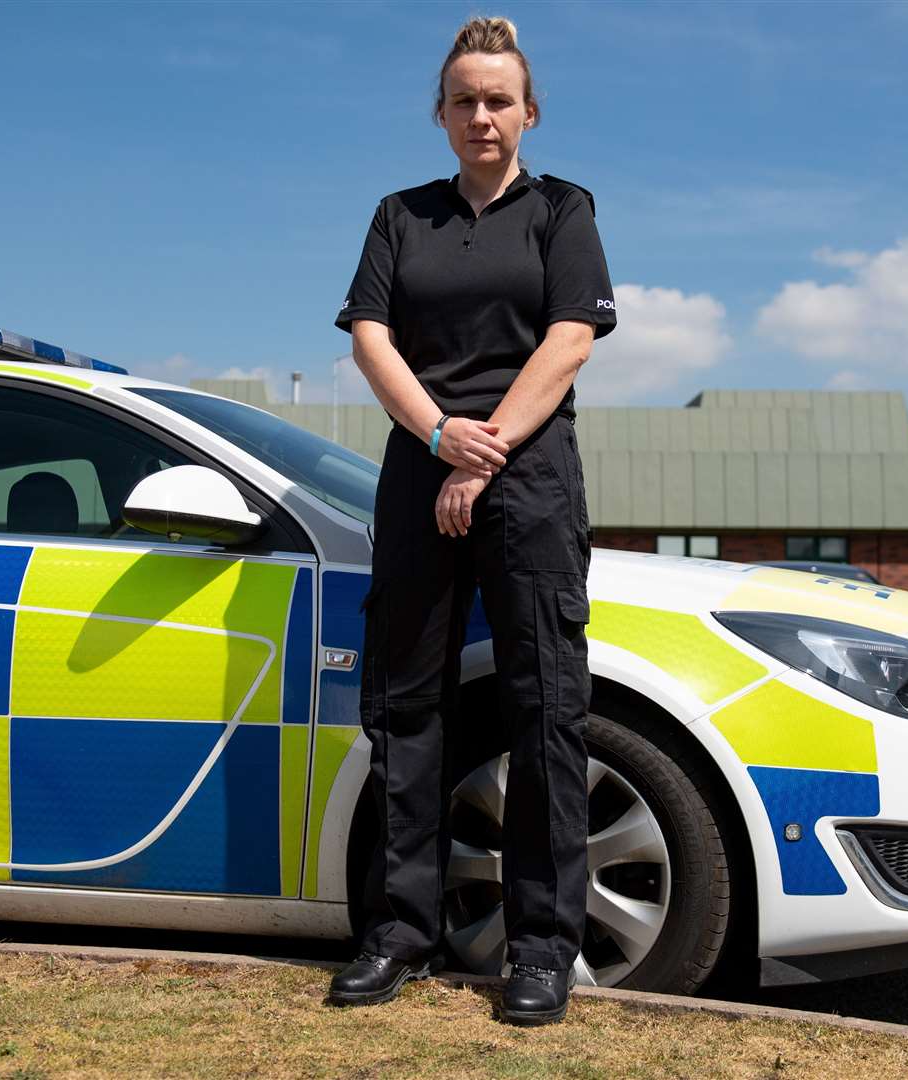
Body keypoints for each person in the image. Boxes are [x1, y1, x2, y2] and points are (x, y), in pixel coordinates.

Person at [325, 15, 617, 1026]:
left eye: (500, 99)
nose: (482, 115)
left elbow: (570, 341)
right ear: (441, 115)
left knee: (545, 710)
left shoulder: (563, 209)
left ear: (528, 112)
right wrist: (442, 436)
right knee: (407, 712)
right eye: (464, 100)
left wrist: (482, 447)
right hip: (422, 473)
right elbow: (370, 338)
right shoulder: (399, 216)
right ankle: (401, 934)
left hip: (530, 480)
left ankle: (542, 950)